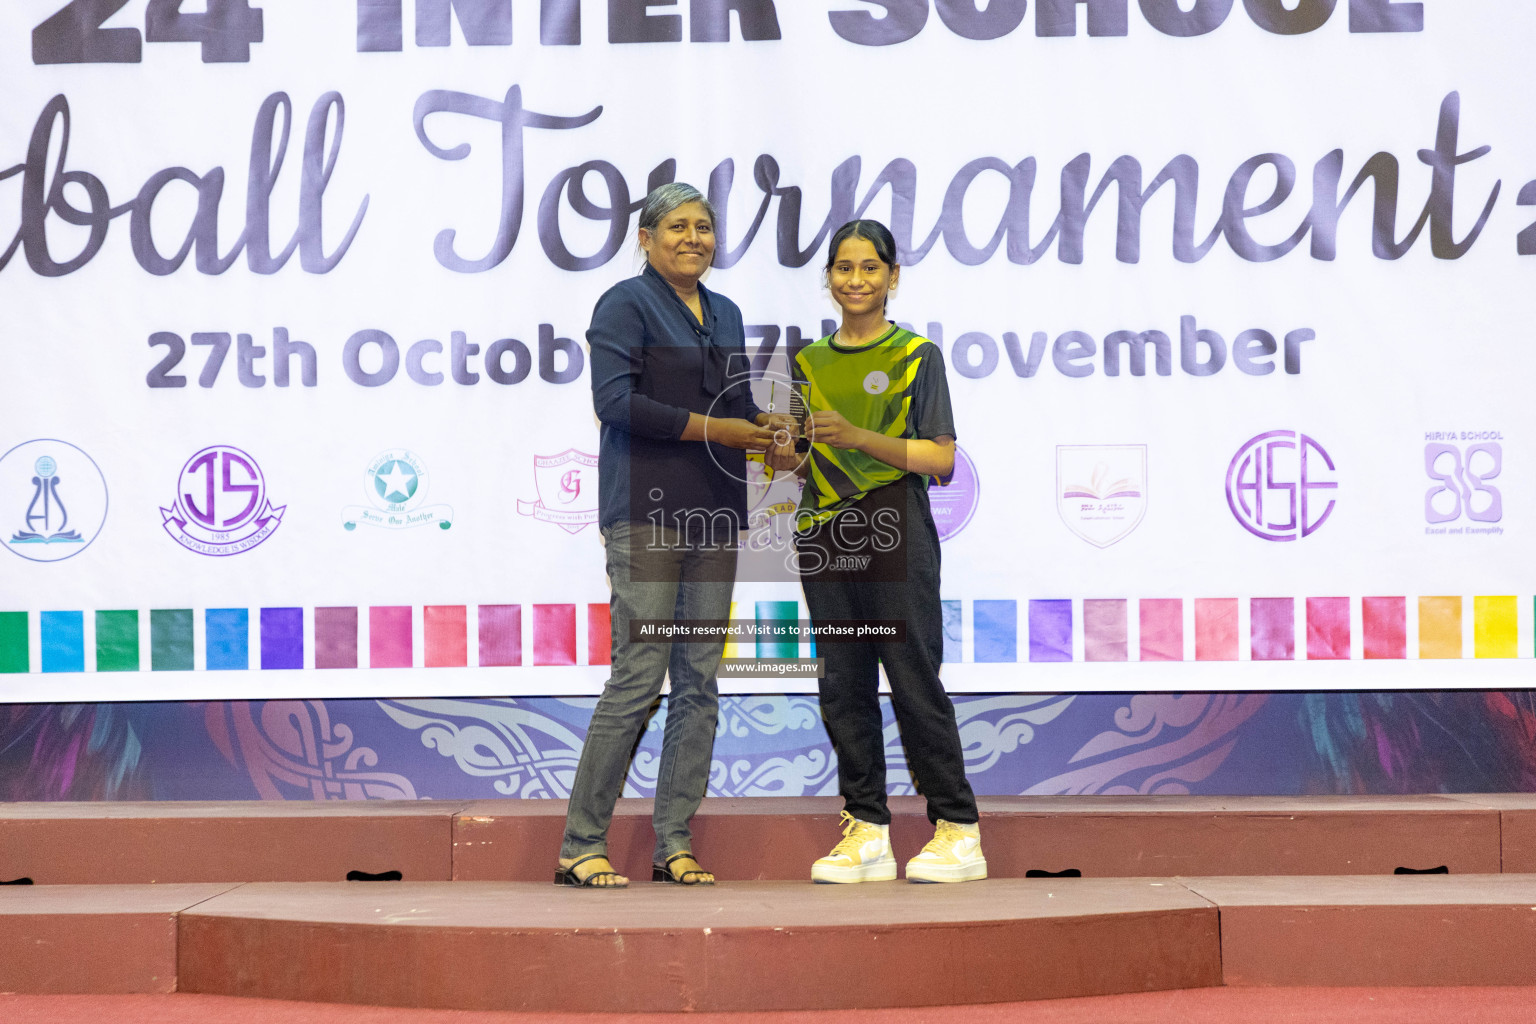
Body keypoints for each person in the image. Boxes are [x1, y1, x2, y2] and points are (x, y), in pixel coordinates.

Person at [557, 183, 790, 888]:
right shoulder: (625, 304)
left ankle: (674, 844)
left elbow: (737, 407)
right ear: (647, 238)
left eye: (705, 227)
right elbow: (615, 402)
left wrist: (774, 437)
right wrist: (720, 429)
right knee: (638, 676)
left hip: (715, 513)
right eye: (679, 226)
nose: (695, 237)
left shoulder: (725, 312)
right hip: (646, 514)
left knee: (700, 681)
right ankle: (580, 846)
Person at [769, 219, 985, 884]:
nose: (855, 280)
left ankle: (958, 830)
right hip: (821, 530)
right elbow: (800, 463)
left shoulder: (918, 357)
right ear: (828, 278)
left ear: (893, 277)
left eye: (869, 268)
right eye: (843, 267)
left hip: (894, 521)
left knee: (913, 679)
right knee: (843, 686)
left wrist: (861, 436)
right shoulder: (804, 361)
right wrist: (786, 452)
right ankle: (865, 829)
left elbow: (941, 459)